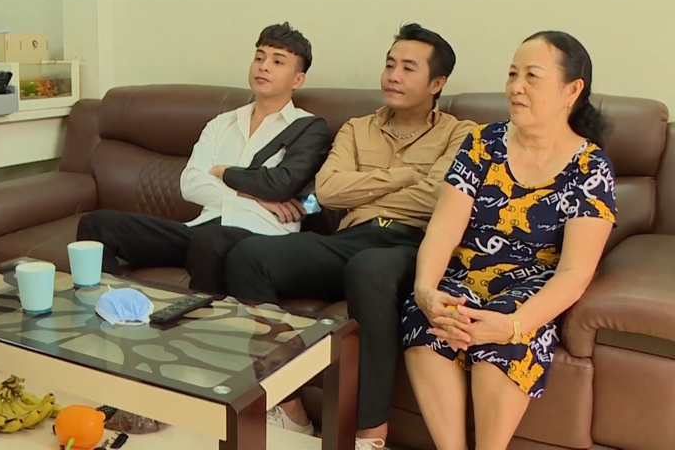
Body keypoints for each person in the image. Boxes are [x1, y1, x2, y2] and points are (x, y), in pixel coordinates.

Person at [225, 23, 474, 445]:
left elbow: (437, 197)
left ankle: (370, 433)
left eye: (408, 68)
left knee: (369, 268)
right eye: (390, 65)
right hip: (350, 239)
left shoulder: (462, 134)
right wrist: (406, 175)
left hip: (412, 244)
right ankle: (288, 404)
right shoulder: (357, 128)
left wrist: (369, 184)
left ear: (437, 83)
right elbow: (328, 191)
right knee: (249, 256)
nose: (393, 76)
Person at [401, 31, 616, 450]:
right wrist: (426, 290)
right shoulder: (483, 143)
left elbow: (575, 272)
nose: (516, 87)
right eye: (512, 74)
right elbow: (443, 229)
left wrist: (514, 325)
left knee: (505, 339)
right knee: (430, 318)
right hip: (466, 274)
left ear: (572, 90)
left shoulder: (591, 167)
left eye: (532, 76)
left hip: (531, 286)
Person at [76, 22, 331, 294]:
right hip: (199, 230)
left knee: (211, 240)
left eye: (277, 61)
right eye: (259, 57)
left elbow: (282, 184)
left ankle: (202, 317)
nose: (264, 66)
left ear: (297, 80)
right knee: (97, 225)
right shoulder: (222, 123)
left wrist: (224, 173)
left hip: (261, 236)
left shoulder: (308, 127)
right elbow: (190, 184)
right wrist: (251, 195)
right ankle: (109, 307)